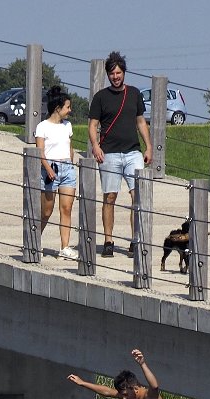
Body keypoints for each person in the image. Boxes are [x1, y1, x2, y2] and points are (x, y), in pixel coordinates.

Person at [87, 51, 152, 258]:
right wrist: (95, 146)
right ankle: (108, 240)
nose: (115, 76)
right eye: (112, 73)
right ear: (108, 75)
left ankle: (135, 239)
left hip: (133, 151)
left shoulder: (134, 94)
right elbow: (93, 125)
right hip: (110, 154)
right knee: (110, 196)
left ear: (124, 73)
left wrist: (148, 146)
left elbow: (141, 122)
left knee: (137, 196)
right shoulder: (100, 97)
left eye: (118, 72)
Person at [36, 85, 78, 260]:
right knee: (46, 211)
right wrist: (48, 169)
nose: (70, 110)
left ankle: (65, 247)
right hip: (49, 170)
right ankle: (34, 238)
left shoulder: (67, 126)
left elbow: (69, 145)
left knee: (66, 208)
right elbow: (40, 152)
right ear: (58, 108)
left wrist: (71, 160)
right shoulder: (42, 127)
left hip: (67, 168)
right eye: (67, 107)